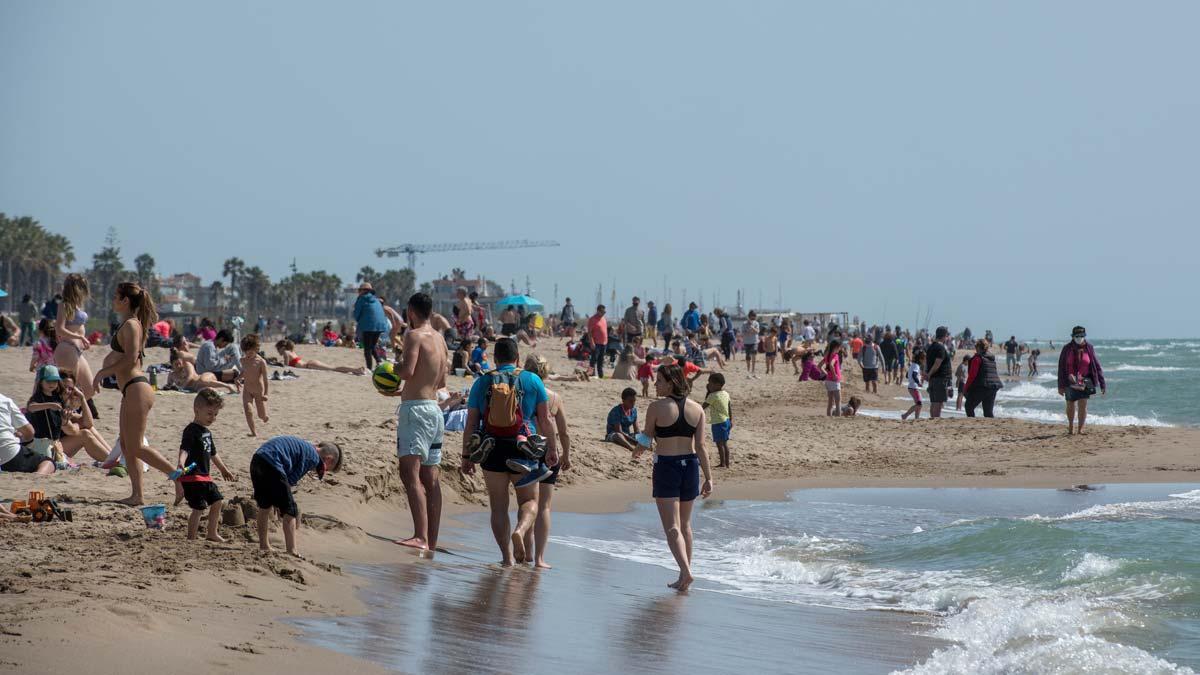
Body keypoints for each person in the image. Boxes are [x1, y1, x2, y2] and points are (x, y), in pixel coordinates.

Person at [460, 337, 559, 566]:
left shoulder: (482, 382)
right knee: (529, 502)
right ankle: (521, 530)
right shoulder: (532, 379)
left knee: (498, 506)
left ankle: (506, 558)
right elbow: (545, 420)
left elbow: (471, 423)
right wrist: (552, 449)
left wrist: (466, 456)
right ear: (517, 358)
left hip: (491, 447)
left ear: (495, 359)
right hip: (523, 447)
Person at [92, 282, 183, 505]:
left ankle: (179, 478)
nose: (113, 300)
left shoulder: (132, 324)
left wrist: (102, 373)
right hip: (130, 390)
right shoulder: (130, 323)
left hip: (136, 388)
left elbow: (131, 359)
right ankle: (137, 495)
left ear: (125, 301)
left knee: (137, 446)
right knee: (126, 445)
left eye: (116, 296)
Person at [634, 363, 713, 591]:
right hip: (690, 466)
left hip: (667, 466)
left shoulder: (657, 407)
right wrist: (709, 478)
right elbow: (701, 446)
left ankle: (686, 573)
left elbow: (647, 437)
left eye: (659, 381)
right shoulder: (697, 409)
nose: (656, 384)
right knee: (686, 526)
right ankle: (683, 577)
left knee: (672, 527)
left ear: (671, 383)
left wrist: (637, 450)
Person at [387, 292, 448, 553]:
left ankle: (419, 536)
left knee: (409, 473)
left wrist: (390, 368)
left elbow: (407, 371)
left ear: (411, 312)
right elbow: (441, 382)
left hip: (416, 412)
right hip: (435, 410)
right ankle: (431, 540)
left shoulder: (413, 336)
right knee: (430, 478)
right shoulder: (440, 340)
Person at [517, 355, 572, 568]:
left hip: (528, 447)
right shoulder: (555, 397)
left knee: (526, 503)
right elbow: (564, 431)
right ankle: (539, 558)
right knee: (545, 507)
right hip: (549, 451)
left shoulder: (522, 392)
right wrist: (566, 454)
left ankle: (527, 552)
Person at [250, 436, 342, 557]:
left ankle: (264, 545)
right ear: (328, 460)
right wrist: (282, 502)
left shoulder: (305, 446)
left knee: (264, 507)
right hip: (273, 464)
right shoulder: (313, 457)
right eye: (327, 470)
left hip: (257, 460)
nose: (316, 471)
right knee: (291, 510)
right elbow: (290, 480)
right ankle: (291, 550)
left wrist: (279, 497)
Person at [176, 390, 237, 541]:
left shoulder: (207, 432)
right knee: (198, 508)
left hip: (205, 477)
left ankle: (212, 533)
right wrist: (181, 462)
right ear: (197, 410)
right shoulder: (191, 430)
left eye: (216, 414)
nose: (213, 418)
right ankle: (191, 538)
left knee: (217, 501)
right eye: (210, 413)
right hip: (192, 476)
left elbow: (213, 454)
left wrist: (224, 469)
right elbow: (185, 448)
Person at [27, 365, 110, 464]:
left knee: (89, 429)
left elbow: (88, 423)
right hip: (42, 447)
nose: (67, 391)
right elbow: (72, 431)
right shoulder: (51, 402)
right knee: (85, 434)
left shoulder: (61, 403)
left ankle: (112, 456)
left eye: (71, 388)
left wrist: (83, 398)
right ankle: (111, 460)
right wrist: (76, 424)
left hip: (54, 445)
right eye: (65, 387)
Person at [53, 274, 98, 415]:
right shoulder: (64, 305)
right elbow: (59, 329)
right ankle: (64, 416)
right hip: (67, 348)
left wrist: (83, 339)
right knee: (67, 388)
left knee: (90, 389)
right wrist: (79, 336)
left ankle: (68, 411)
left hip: (77, 351)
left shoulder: (77, 305)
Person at [1057, 326, 1106, 435]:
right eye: (1077, 336)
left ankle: (1080, 428)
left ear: (1085, 336)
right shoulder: (1066, 349)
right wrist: (1060, 386)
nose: (1079, 338)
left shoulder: (1089, 348)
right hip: (1070, 380)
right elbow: (1061, 367)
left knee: (1083, 405)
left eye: (1081, 336)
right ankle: (1070, 426)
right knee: (1070, 404)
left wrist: (1102, 384)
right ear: (1073, 336)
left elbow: (1097, 366)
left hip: (1085, 381)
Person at [0, 390, 52, 474]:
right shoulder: (5, 401)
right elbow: (29, 433)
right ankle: (38, 476)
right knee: (47, 462)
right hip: (8, 456)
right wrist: (18, 438)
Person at [275, 339, 366, 374]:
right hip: (310, 363)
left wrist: (278, 364)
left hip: (309, 365)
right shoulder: (291, 351)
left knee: (334, 368)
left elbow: (286, 367)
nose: (278, 351)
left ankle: (356, 369)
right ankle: (354, 370)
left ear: (282, 348)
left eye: (278, 349)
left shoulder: (286, 353)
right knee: (334, 368)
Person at [353, 282, 389, 371]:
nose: (358, 292)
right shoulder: (377, 300)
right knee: (372, 346)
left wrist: (359, 321)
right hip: (380, 325)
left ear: (363, 291)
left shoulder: (361, 299)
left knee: (367, 349)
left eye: (359, 290)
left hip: (369, 326)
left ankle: (369, 368)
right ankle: (379, 361)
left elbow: (356, 314)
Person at [964, 340, 1004, 418]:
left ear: (978, 347)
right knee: (988, 412)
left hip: (983, 386)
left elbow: (972, 375)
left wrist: (966, 387)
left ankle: (971, 422)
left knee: (968, 406)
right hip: (994, 386)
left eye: (976, 347)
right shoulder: (991, 358)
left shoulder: (977, 358)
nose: (975, 349)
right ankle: (991, 428)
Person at [239, 334, 270, 436]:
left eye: (251, 352)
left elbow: (265, 379)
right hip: (247, 390)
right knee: (248, 411)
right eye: (246, 352)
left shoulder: (261, 362)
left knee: (261, 415)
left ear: (256, 349)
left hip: (258, 391)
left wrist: (266, 394)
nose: (248, 354)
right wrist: (237, 378)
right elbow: (245, 372)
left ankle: (264, 417)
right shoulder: (243, 360)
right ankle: (253, 432)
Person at [702, 373, 732, 468]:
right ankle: (726, 463)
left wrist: (708, 391)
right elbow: (729, 407)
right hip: (726, 420)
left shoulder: (713, 395)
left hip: (718, 422)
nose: (708, 385)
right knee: (725, 443)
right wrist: (731, 419)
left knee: (720, 444)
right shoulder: (726, 393)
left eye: (710, 384)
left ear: (718, 385)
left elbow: (703, 406)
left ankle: (723, 463)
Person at [924, 326, 953, 418]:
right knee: (938, 402)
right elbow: (937, 363)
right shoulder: (940, 348)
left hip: (933, 378)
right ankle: (935, 420)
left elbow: (927, 362)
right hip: (939, 378)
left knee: (934, 402)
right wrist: (928, 374)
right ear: (944, 336)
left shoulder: (931, 347)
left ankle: (933, 419)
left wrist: (927, 373)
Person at [901, 350, 925, 421]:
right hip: (914, 387)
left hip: (911, 387)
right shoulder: (916, 366)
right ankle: (905, 415)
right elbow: (914, 375)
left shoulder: (913, 365)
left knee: (918, 404)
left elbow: (907, 375)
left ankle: (916, 418)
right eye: (924, 359)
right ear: (920, 359)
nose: (924, 361)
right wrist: (918, 382)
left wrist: (917, 377)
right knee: (919, 404)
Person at [821, 339, 843, 416]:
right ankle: (838, 417)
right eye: (840, 347)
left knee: (830, 401)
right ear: (836, 347)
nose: (840, 349)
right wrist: (834, 375)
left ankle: (829, 416)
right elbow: (831, 364)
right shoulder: (835, 355)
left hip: (828, 380)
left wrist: (826, 373)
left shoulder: (827, 356)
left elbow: (819, 366)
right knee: (838, 401)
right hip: (834, 381)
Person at [587, 305, 609, 379]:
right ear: (598, 311)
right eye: (602, 312)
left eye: (604, 312)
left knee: (601, 360)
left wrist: (606, 341)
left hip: (604, 343)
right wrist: (591, 342)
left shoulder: (604, 319)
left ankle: (600, 375)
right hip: (596, 343)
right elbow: (589, 333)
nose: (604, 313)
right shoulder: (592, 319)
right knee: (593, 359)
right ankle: (591, 374)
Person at [741, 310, 761, 376]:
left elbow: (757, 332)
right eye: (752, 317)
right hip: (747, 342)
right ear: (749, 317)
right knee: (748, 356)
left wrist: (753, 328)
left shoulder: (756, 323)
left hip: (754, 341)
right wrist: (748, 332)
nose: (753, 318)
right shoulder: (744, 323)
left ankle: (753, 369)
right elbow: (743, 333)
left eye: (754, 317)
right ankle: (748, 369)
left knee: (754, 354)